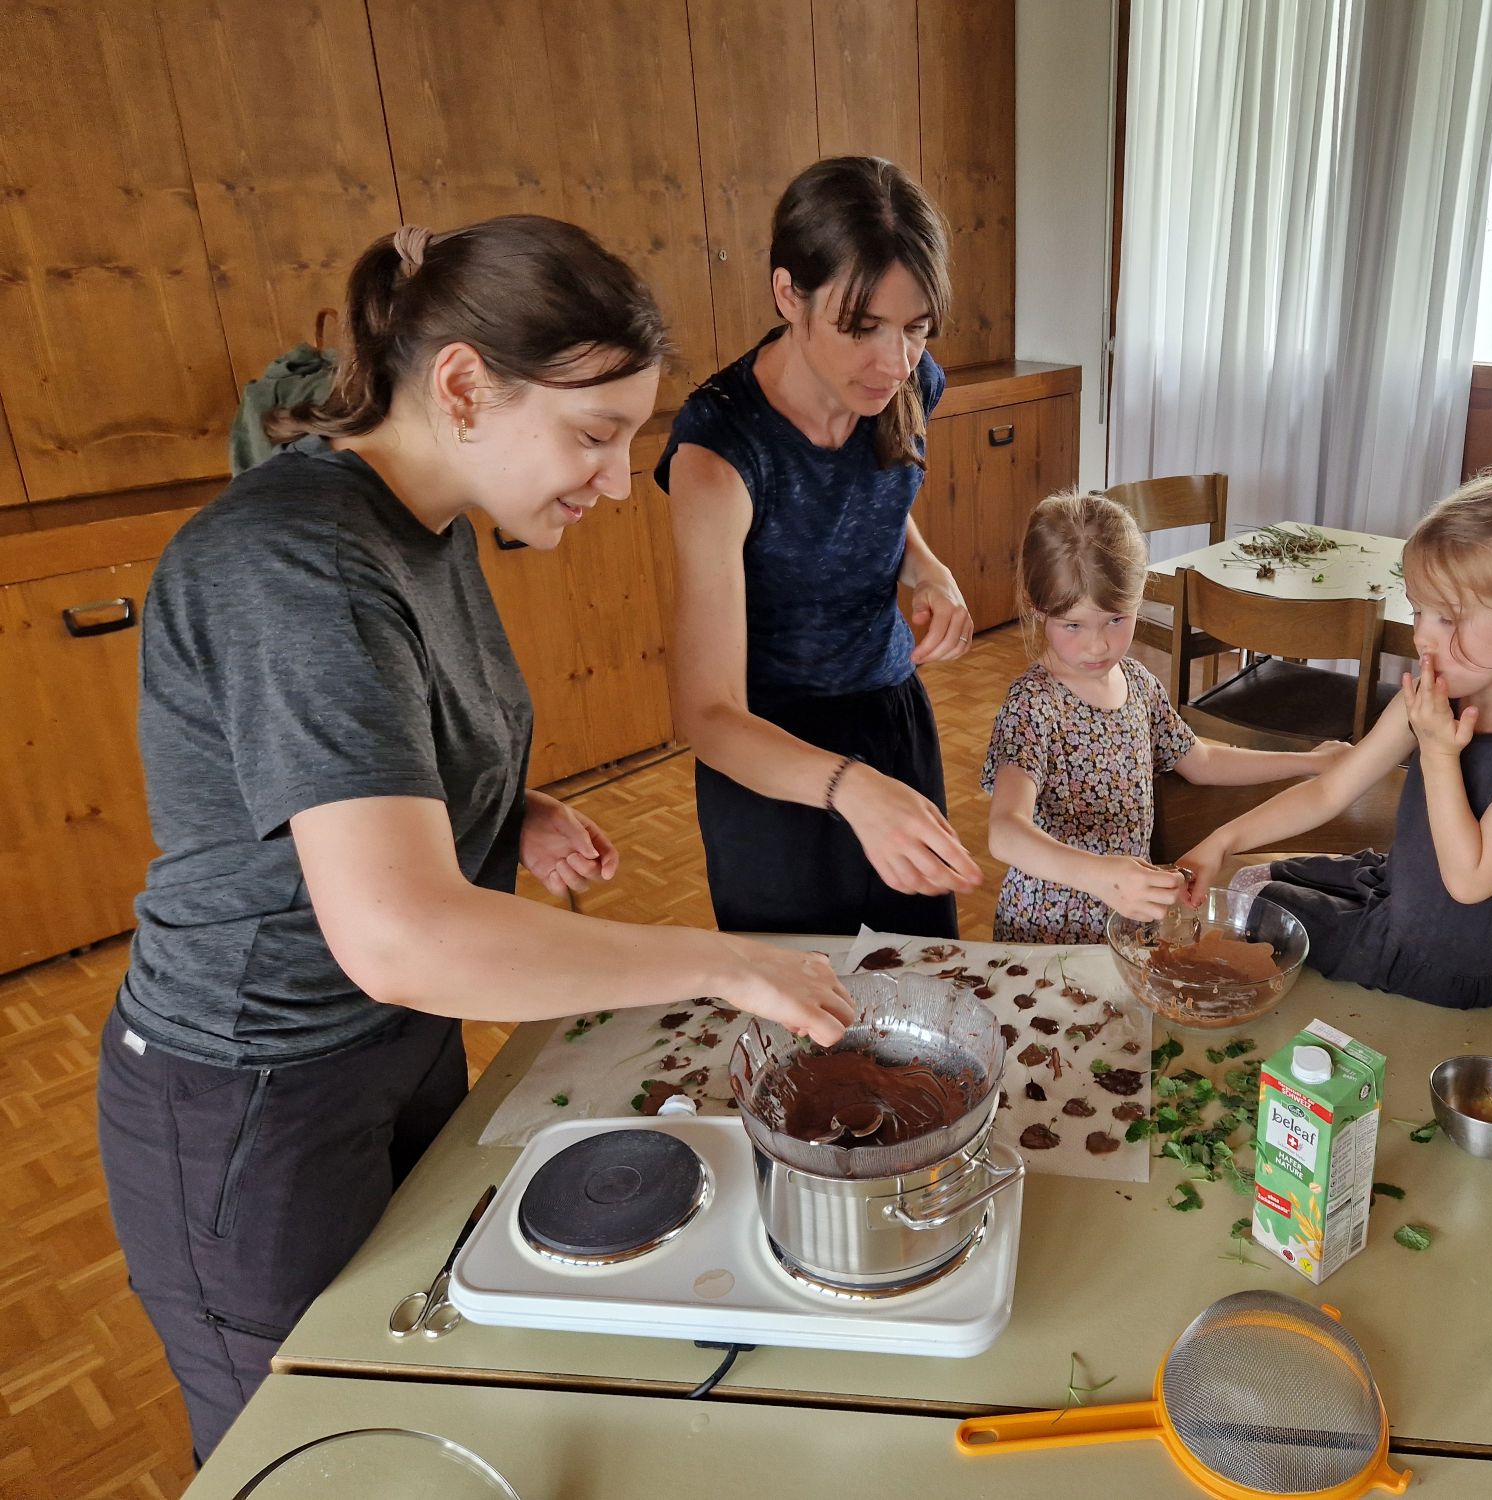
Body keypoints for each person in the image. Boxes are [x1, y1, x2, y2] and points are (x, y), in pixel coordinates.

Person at [98, 216, 854, 1462]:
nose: (618, 482)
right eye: (595, 435)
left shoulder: (419, 528)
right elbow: (398, 934)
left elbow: (372, 761)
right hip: (248, 1096)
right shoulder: (295, 564)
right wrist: (724, 963)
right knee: (314, 1451)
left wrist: (504, 811)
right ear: (461, 387)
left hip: (391, 1049)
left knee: (426, 1383)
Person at [661, 157, 982, 940]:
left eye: (916, 328)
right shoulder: (721, 453)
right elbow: (706, 714)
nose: (895, 360)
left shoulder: (907, 385)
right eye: (862, 328)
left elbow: (873, 493)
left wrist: (926, 565)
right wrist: (850, 788)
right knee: (807, 1013)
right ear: (787, 296)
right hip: (770, 752)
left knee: (921, 968)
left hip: (890, 714)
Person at [1178, 469, 1492, 1009]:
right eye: (1418, 610)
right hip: (1407, 893)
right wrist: (1222, 838)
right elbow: (1330, 791)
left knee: (1249, 904)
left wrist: (1439, 753)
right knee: (1249, 876)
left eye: (1447, 617)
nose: (1421, 635)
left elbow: (1469, 880)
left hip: (1453, 959)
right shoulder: (1443, 692)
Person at [983, 491, 1346, 944]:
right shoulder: (1033, 704)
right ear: (1039, 610)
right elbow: (1004, 831)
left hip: (1127, 928)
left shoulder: (1138, 683)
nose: (1097, 646)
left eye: (1116, 620)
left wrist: (1308, 762)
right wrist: (1099, 876)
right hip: (1047, 936)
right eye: (1073, 625)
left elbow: (1202, 762)